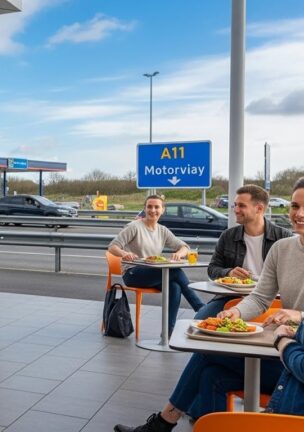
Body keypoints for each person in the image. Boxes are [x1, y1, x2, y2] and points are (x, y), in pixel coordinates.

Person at [114, 177, 304, 432]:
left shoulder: (276, 238)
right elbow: (260, 297)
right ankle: (171, 423)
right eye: (294, 206)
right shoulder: (282, 248)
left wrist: (299, 316)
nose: (299, 214)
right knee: (210, 374)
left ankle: (162, 424)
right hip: (280, 350)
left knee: (207, 353)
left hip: (295, 364)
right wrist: (236, 311)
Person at [108, 195, 205, 335]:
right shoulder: (134, 227)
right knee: (175, 271)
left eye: (156, 207)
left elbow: (184, 246)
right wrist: (124, 254)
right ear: (144, 209)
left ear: (163, 210)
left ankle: (167, 331)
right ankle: (200, 307)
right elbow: (113, 247)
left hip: (154, 272)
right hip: (133, 273)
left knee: (174, 286)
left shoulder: (162, 230)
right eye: (149, 207)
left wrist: (179, 254)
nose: (153, 210)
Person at [196, 185, 293, 319]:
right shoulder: (228, 236)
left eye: (241, 206)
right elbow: (212, 269)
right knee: (200, 320)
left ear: (259, 208)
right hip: (232, 295)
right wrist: (229, 272)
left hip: (272, 298)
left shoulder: (283, 237)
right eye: (235, 205)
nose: (236, 210)